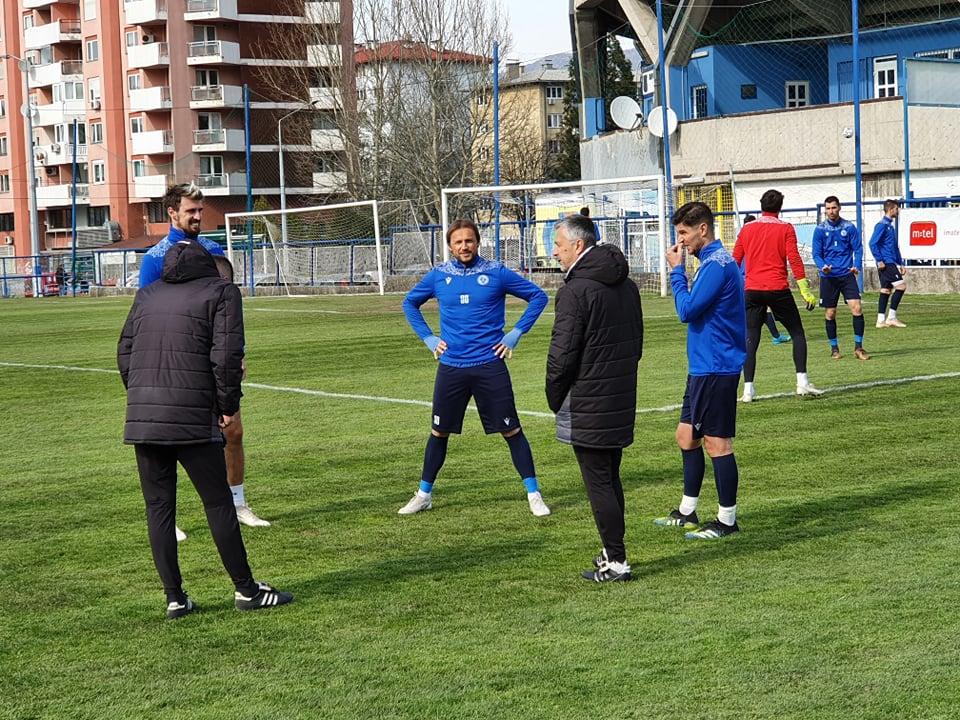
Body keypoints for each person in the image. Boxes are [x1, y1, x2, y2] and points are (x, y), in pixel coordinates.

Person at [117, 239, 292, 619]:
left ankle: (175, 598)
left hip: (145, 416)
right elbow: (227, 355)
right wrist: (227, 405)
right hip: (193, 415)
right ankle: (246, 590)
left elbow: (124, 353)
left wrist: (144, 397)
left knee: (158, 509)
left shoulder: (147, 295)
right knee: (218, 502)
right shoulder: (222, 292)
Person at [139, 183, 270, 536]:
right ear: (172, 213)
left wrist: (235, 355)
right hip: (179, 363)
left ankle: (238, 502)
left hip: (215, 359)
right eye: (190, 211)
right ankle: (171, 518)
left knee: (234, 431)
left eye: (200, 210)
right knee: (172, 440)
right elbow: (147, 313)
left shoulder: (213, 250)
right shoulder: (154, 259)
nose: (197, 216)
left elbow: (227, 311)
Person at [400, 219, 550, 517]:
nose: (464, 246)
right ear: (450, 246)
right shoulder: (439, 276)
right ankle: (423, 494)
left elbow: (538, 297)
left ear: (477, 242)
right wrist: (430, 339)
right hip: (452, 367)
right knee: (438, 432)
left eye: (469, 240)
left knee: (512, 431)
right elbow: (409, 303)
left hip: (489, 366)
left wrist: (514, 334)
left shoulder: (495, 273)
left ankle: (533, 494)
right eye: (458, 242)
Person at [546, 215, 643, 582]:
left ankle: (617, 561)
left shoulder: (575, 291)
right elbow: (637, 344)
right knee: (610, 476)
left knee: (599, 481)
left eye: (559, 244)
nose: (554, 252)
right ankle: (613, 553)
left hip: (588, 400)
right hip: (618, 395)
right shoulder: (628, 285)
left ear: (579, 246)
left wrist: (555, 396)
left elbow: (562, 355)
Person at [660, 202, 745, 539]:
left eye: (683, 233)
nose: (680, 242)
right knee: (686, 436)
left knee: (717, 442)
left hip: (716, 366)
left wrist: (676, 272)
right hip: (703, 366)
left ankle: (727, 521)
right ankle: (687, 511)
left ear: (703, 229)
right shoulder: (712, 262)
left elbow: (687, 310)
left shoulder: (717, 265)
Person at [733, 189, 822, 402]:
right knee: (797, 333)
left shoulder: (747, 229)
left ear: (760, 205)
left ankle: (748, 390)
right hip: (777, 288)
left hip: (752, 290)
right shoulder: (786, 228)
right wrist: (805, 290)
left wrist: (732, 290)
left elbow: (734, 260)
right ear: (780, 208)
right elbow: (794, 258)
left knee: (750, 338)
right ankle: (802, 382)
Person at [812, 196, 870, 360]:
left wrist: (856, 266)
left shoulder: (849, 227)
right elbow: (816, 253)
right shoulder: (820, 230)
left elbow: (858, 249)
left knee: (857, 308)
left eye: (834, 208)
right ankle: (834, 348)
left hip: (846, 275)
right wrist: (822, 265)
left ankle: (859, 348)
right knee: (830, 314)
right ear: (825, 210)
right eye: (828, 208)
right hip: (829, 276)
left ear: (839, 208)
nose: (831, 211)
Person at [744, 214, 791, 346]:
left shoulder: (749, 243)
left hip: (753, 285)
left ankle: (776, 336)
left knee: (763, 312)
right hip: (750, 285)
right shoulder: (750, 245)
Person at [869, 199, 907, 328]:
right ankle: (891, 317)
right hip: (886, 263)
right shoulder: (882, 225)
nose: (898, 211)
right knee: (901, 287)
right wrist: (879, 260)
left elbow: (894, 247)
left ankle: (880, 320)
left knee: (886, 290)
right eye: (897, 209)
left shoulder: (890, 226)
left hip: (890, 262)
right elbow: (872, 243)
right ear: (891, 209)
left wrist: (900, 263)